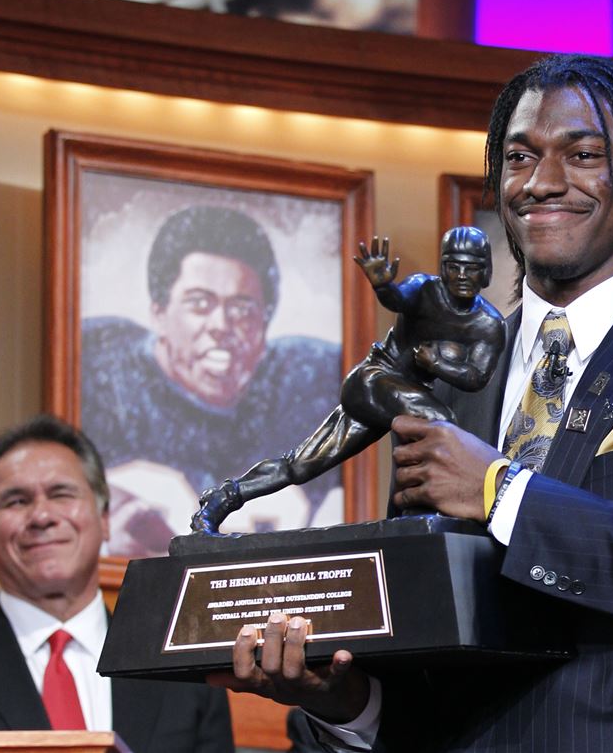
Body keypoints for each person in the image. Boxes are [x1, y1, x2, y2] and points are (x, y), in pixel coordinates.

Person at [212, 53, 613, 752]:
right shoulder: (442, 375)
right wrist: (345, 699)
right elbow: (434, 645)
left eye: (584, 153)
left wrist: (501, 491)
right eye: (519, 157)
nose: (543, 182)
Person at [191, 227, 505, 533]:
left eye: (472, 268)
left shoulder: (488, 324)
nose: (462, 276)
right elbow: (397, 299)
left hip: (402, 398)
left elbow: (476, 377)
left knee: (301, 464)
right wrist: (383, 286)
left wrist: (438, 364)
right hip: (373, 381)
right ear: (443, 268)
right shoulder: (424, 288)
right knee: (439, 423)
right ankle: (416, 516)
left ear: (486, 271)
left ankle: (223, 498)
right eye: (454, 267)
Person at [81, 206, 343, 556]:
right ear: (159, 313)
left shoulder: (313, 381)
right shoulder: (103, 368)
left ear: (265, 323)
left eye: (241, 308)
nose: (221, 325)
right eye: (200, 303)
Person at [0, 415, 234, 749]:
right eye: (17, 501)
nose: (42, 517)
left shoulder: (182, 671)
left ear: (104, 519)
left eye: (61, 494)